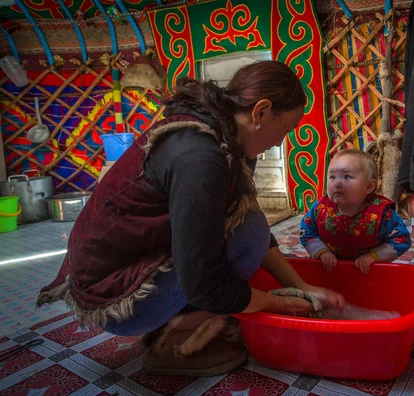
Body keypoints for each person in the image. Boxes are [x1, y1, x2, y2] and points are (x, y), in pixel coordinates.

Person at [37, 61, 345, 377]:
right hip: (114, 301)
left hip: (136, 267)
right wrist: (279, 303)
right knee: (244, 236)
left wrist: (300, 286)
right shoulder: (201, 156)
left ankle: (184, 318)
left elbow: (248, 228)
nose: (280, 142)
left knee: (250, 225)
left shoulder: (227, 140)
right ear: (261, 112)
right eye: (286, 129)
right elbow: (204, 283)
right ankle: (176, 342)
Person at [300, 149, 411, 274]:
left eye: (347, 177)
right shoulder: (320, 208)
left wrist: (372, 257)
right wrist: (322, 252)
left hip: (366, 271)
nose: (337, 183)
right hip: (330, 269)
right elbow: (306, 232)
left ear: (369, 187)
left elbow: (401, 239)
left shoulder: (382, 214)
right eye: (332, 177)